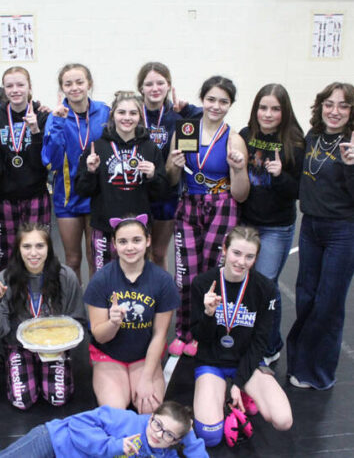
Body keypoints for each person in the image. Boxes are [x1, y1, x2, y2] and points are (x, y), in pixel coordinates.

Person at [166, 75, 249, 357]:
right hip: (189, 204)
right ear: (202, 99)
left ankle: (205, 332)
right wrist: (175, 165)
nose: (215, 106)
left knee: (212, 273)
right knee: (185, 274)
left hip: (223, 207)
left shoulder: (234, 139)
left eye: (223, 101)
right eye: (211, 99)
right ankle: (183, 331)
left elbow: (241, 194)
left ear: (230, 105)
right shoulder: (187, 129)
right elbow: (170, 176)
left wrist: (238, 170)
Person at [190, 226, 292, 447]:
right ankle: (225, 405)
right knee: (210, 437)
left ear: (256, 258)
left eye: (249, 256)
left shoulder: (265, 289)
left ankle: (242, 393)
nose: (241, 262)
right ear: (225, 249)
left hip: (248, 361)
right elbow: (199, 337)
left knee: (283, 420)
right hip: (212, 361)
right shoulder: (203, 284)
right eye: (236, 253)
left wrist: (238, 383)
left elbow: (260, 343)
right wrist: (209, 314)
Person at [286, 82, 354, 390]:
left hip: (343, 230)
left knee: (329, 302)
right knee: (306, 296)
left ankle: (320, 372)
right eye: (329, 104)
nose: (335, 111)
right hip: (311, 226)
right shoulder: (313, 137)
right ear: (320, 107)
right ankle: (300, 363)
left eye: (343, 105)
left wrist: (352, 166)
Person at [0, 223, 86, 410]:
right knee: (22, 400)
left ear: (49, 248)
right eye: (27, 246)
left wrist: (63, 346)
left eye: (40, 246)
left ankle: (48, 369)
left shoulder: (66, 276)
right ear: (18, 250)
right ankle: (19, 364)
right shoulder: (6, 279)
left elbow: (77, 320)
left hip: (55, 347)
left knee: (58, 397)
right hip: (19, 345)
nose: (33, 253)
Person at [83, 215, 179, 413]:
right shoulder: (101, 280)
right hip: (109, 355)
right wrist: (113, 323)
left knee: (150, 409)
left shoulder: (163, 281)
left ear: (148, 241)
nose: (130, 247)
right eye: (123, 241)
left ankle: (142, 379)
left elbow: (160, 335)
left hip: (144, 357)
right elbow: (100, 336)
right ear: (114, 244)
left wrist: (146, 378)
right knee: (116, 413)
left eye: (137, 240)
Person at [240, 84, 305, 365]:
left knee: (266, 286)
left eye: (275, 109)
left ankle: (269, 345)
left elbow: (299, 191)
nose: (268, 114)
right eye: (263, 108)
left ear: (284, 111)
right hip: (245, 223)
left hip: (276, 226)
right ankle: (249, 338)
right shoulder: (245, 136)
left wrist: (279, 176)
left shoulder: (294, 143)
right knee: (245, 282)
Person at [75, 91, 171, 271]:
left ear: (140, 117)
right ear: (113, 115)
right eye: (122, 112)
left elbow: (162, 193)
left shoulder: (150, 148)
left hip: (138, 228)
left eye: (133, 113)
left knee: (137, 279)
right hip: (104, 225)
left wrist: (153, 176)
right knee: (103, 280)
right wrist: (90, 172)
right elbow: (82, 190)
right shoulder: (98, 147)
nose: (127, 118)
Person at [42, 63, 110, 281]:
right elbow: (49, 160)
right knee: (72, 259)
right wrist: (59, 123)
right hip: (67, 195)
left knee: (95, 258)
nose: (74, 88)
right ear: (62, 89)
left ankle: (96, 312)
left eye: (79, 82)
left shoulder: (104, 111)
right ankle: (74, 312)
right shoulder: (56, 117)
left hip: (96, 193)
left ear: (89, 84)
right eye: (68, 84)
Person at [0, 66, 50, 269]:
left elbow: (45, 161)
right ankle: (11, 299)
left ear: (30, 87)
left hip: (36, 195)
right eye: (9, 86)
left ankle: (41, 297)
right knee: (8, 257)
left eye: (21, 84)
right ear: (3, 89)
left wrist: (36, 131)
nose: (15, 90)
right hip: (4, 198)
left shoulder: (43, 116)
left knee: (39, 253)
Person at [137, 62, 202, 271]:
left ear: (169, 86)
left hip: (167, 194)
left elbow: (209, 115)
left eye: (160, 83)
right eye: (149, 84)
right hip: (136, 192)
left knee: (158, 252)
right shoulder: (132, 115)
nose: (155, 88)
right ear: (141, 88)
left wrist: (188, 108)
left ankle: (161, 298)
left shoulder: (178, 118)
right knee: (138, 252)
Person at [0, 401, 208, 458]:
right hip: (54, 441)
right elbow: (77, 423)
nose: (158, 434)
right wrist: (113, 446)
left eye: (168, 434)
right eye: (157, 424)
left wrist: (189, 436)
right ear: (151, 417)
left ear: (175, 441)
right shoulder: (127, 421)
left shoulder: (164, 453)